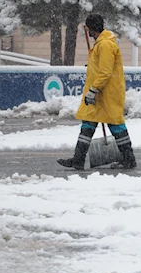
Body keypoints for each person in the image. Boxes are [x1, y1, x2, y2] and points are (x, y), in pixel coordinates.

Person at [58, 14, 136, 169]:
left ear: (90, 29)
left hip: (106, 94)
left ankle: (129, 159)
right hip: (101, 93)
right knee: (88, 123)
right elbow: (101, 68)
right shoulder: (101, 44)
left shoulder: (105, 45)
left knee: (115, 124)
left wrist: (93, 90)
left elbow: (106, 72)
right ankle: (78, 159)